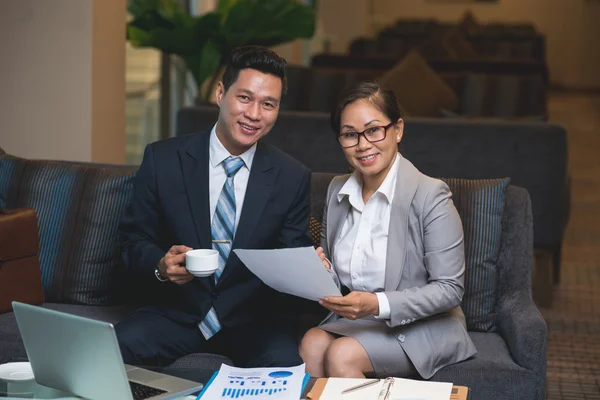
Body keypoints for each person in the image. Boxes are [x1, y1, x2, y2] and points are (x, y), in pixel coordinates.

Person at [116, 45, 314, 368]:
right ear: (221, 93)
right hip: (177, 314)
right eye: (245, 98)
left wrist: (308, 267)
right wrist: (161, 266)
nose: (254, 114)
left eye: (268, 104)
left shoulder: (291, 177)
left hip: (255, 322)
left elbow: (291, 259)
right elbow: (131, 243)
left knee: (288, 370)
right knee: (114, 349)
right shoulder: (163, 159)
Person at [300, 82, 477, 379]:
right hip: (361, 321)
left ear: (397, 130)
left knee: (341, 354)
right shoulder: (337, 191)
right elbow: (334, 275)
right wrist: (321, 271)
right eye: (349, 135)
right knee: (312, 344)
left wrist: (376, 304)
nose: (363, 144)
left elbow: (449, 290)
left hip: (424, 325)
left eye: (373, 130)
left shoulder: (431, 195)